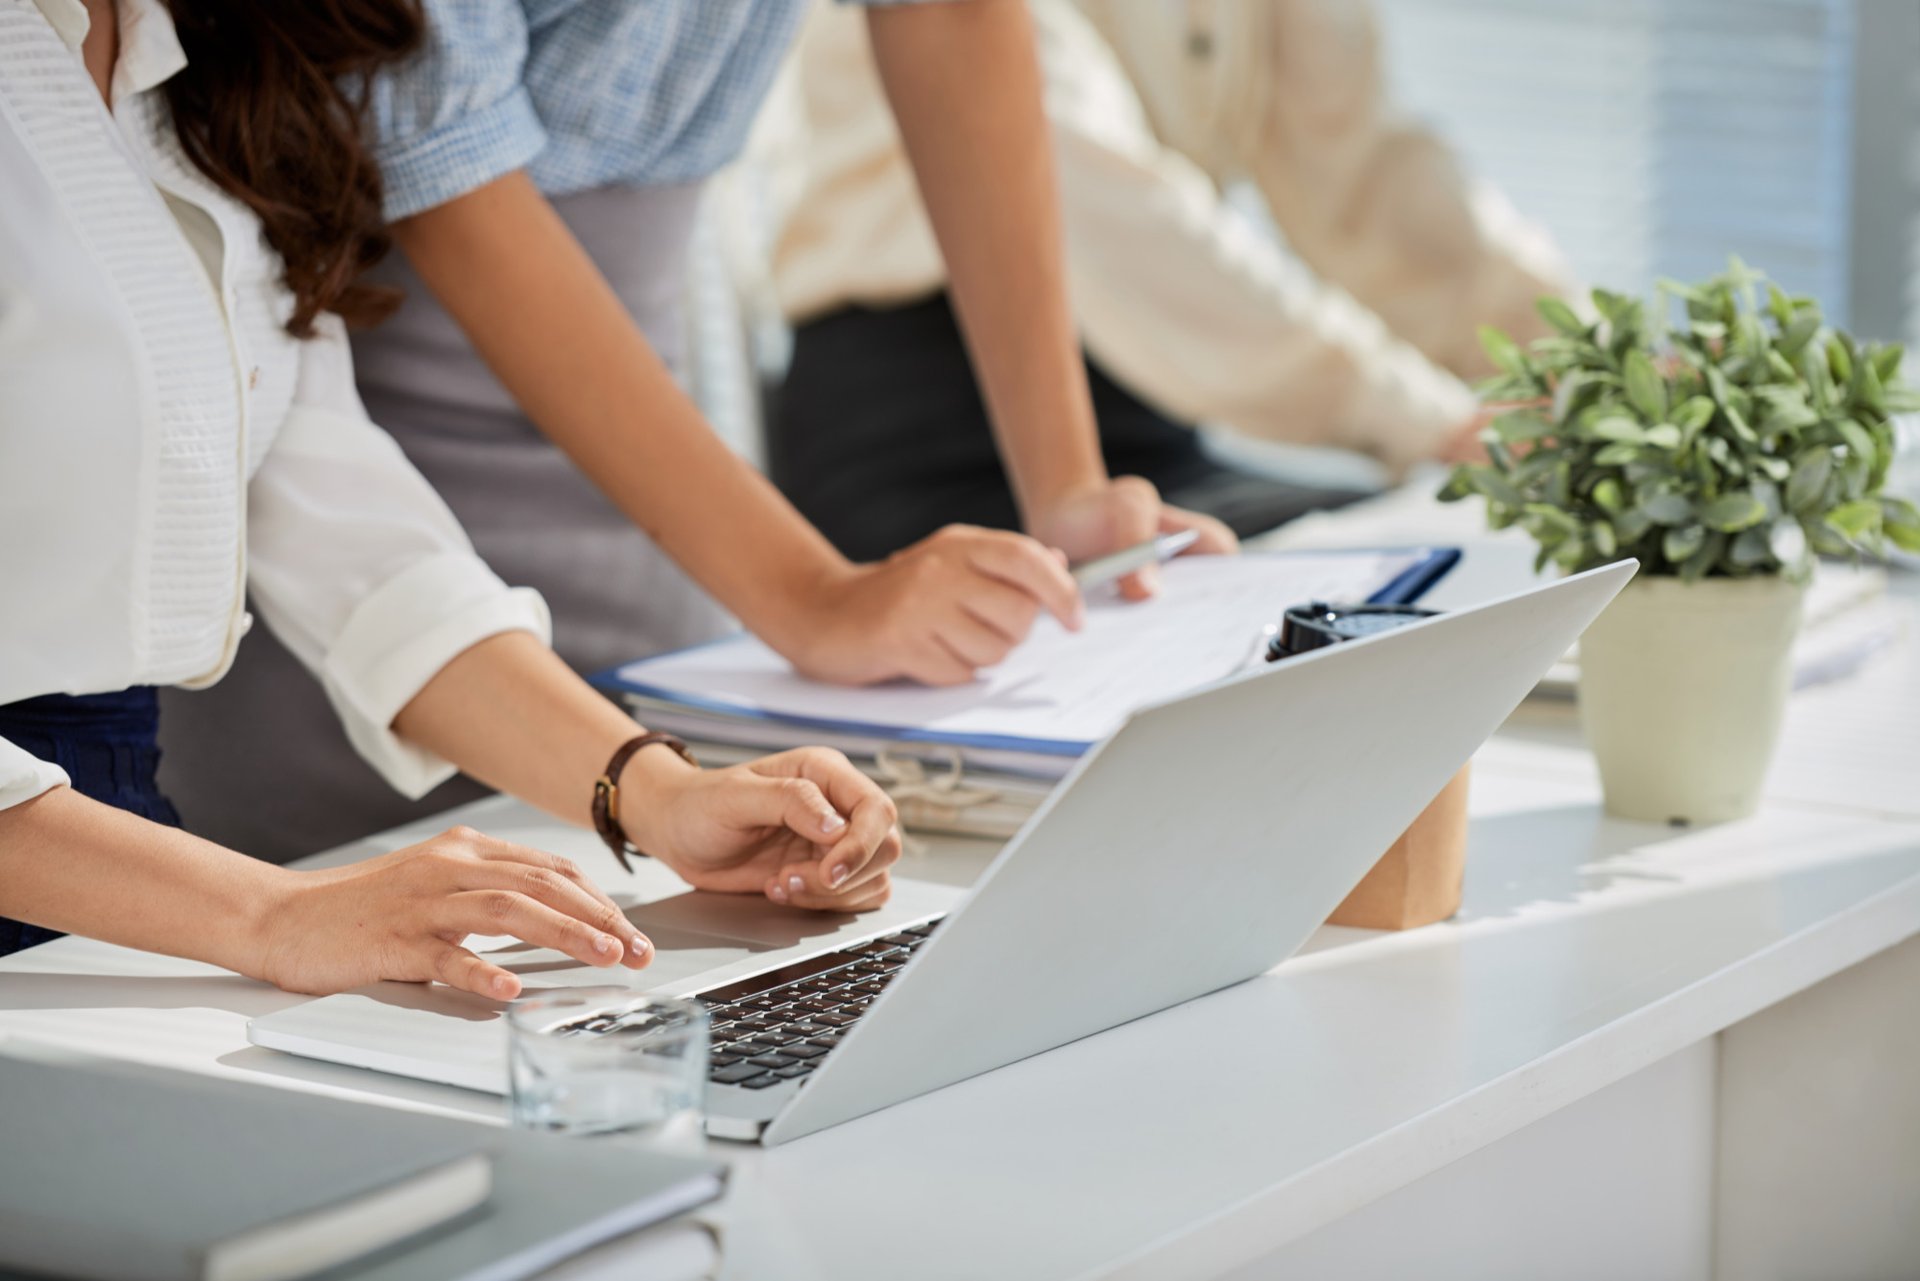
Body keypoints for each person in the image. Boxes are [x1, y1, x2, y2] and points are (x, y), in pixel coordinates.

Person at [157, 0, 1237, 866]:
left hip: (653, 485)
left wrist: (1067, 488)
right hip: (363, 474)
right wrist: (810, 595)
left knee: (671, 951)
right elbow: (446, 171)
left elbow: (952, 15)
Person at [0, 0, 901, 996]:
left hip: (116, 871)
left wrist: (654, 793)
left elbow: (350, 534)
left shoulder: (190, 55)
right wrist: (273, 913)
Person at [760, 0, 1578, 561]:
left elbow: (1363, 166)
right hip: (921, 419)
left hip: (1147, 415)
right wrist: (1435, 424)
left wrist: (1576, 364)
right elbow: (1116, 207)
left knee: (1408, 578)